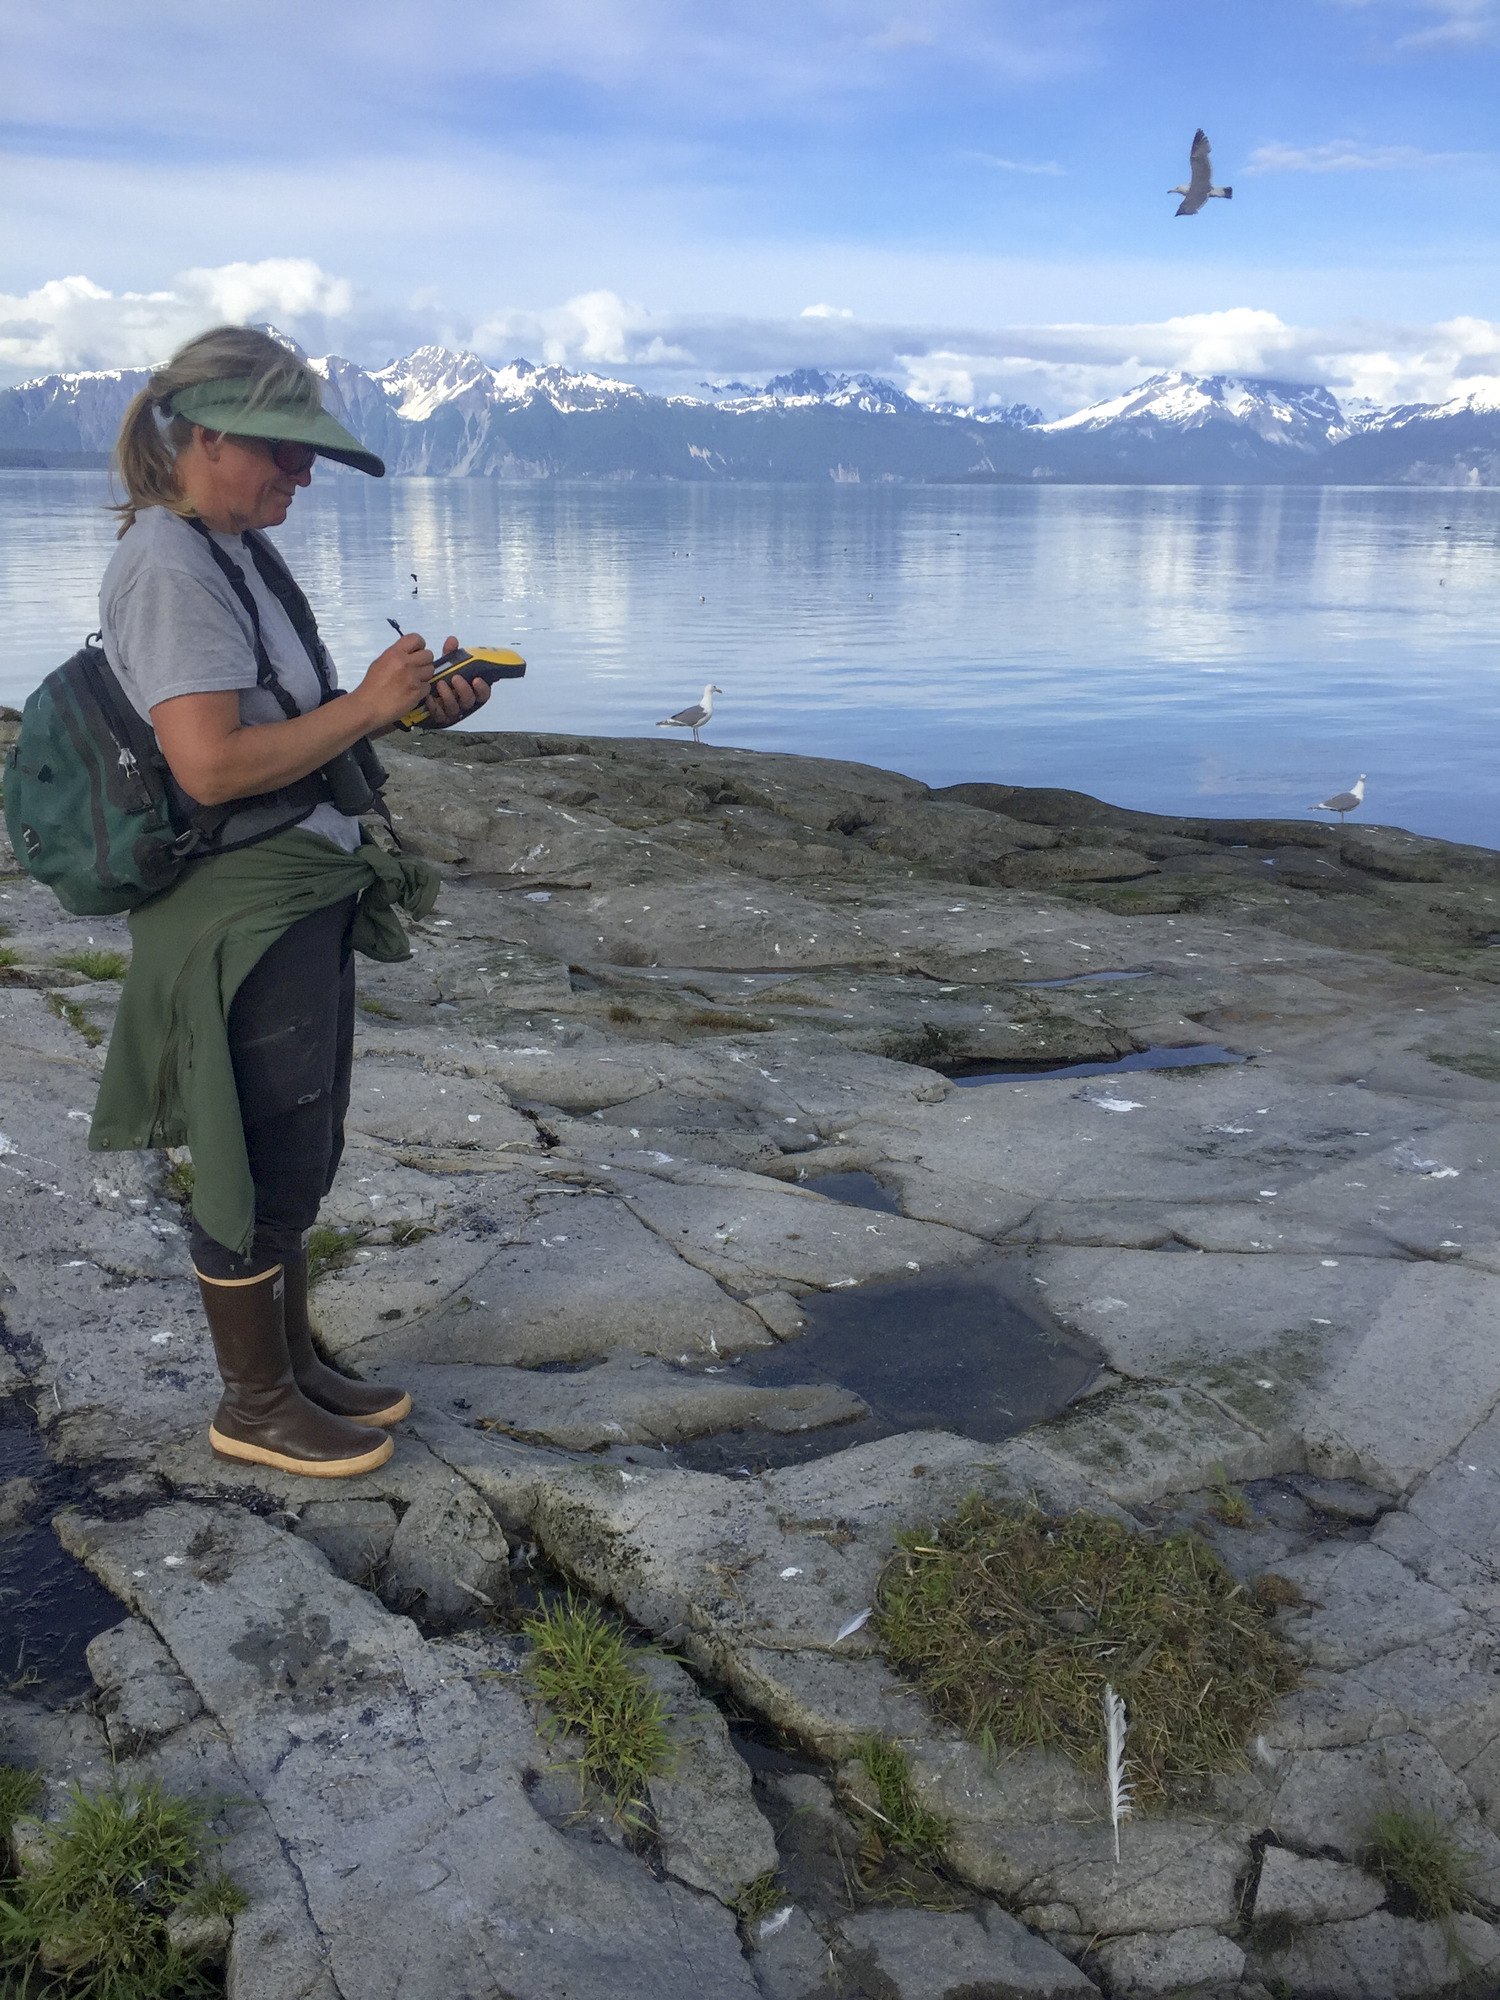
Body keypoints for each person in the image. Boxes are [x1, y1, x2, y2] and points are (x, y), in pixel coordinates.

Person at [87, 324, 489, 1478]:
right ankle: (253, 1402)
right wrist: (367, 704)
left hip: (293, 889)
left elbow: (285, 729)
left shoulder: (231, 548)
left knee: (297, 1133)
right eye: (284, 453)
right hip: (237, 907)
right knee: (250, 1144)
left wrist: (412, 706)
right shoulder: (169, 562)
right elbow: (210, 766)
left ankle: (295, 1363)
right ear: (202, 434)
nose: (302, 478)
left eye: (311, 459)